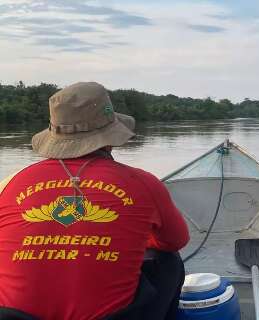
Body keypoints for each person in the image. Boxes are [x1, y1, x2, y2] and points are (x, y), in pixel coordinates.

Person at [0, 82, 190, 320]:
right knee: (168, 260)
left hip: (12, 317)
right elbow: (175, 241)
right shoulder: (143, 183)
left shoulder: (11, 183)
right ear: (109, 138)